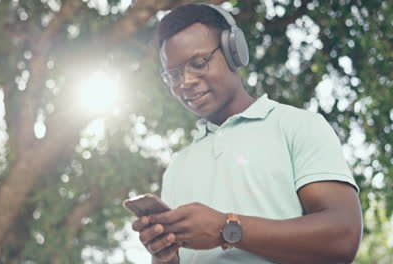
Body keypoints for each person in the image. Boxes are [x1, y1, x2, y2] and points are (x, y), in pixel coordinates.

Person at [131, 4, 363, 264]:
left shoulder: (298, 126)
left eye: (198, 63)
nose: (185, 82)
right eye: (173, 74)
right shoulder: (177, 167)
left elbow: (343, 238)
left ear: (234, 52)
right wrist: (164, 254)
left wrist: (227, 229)